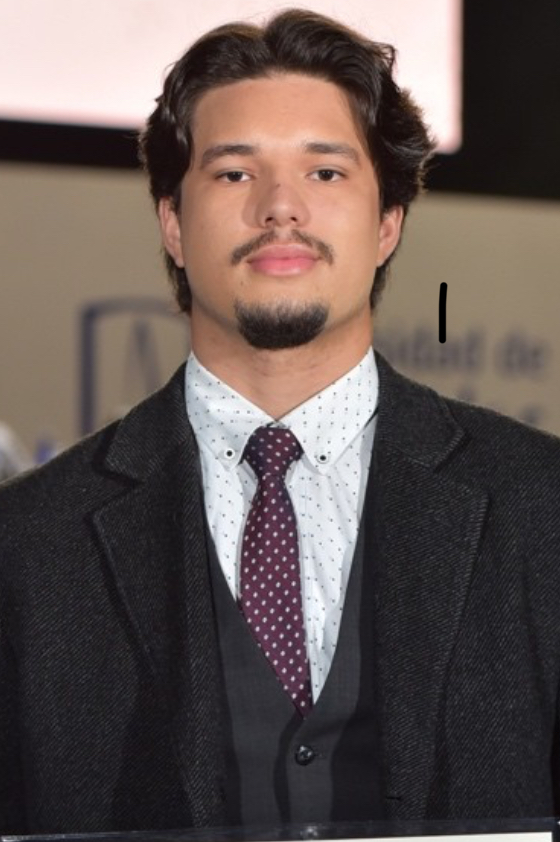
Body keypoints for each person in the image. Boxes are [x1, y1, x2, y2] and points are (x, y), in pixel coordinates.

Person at [2, 7, 560, 835]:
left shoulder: (542, 506)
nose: (281, 208)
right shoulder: (27, 544)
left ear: (388, 223)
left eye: (325, 172)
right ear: (172, 223)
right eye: (235, 174)